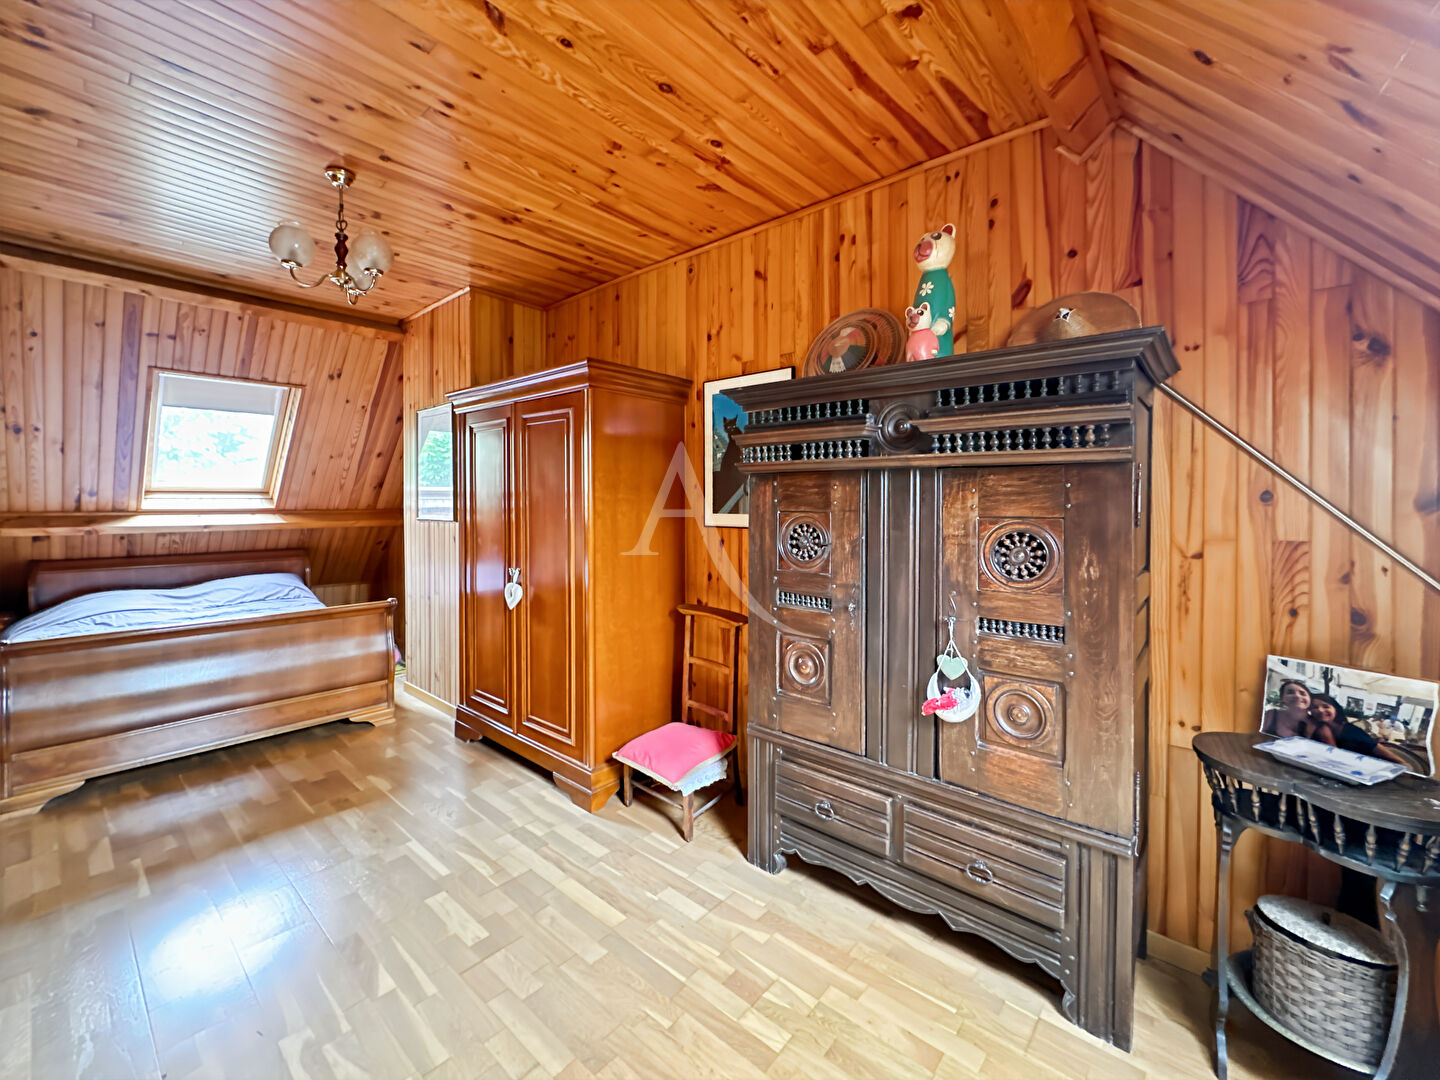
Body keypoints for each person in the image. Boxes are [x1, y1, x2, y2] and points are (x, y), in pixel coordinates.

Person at [1308, 693, 1408, 766]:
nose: (1320, 710)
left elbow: (1377, 749)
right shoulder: (1317, 729)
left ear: (1335, 709)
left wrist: (1403, 765)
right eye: (1315, 707)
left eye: (1326, 706)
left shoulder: (1351, 731)